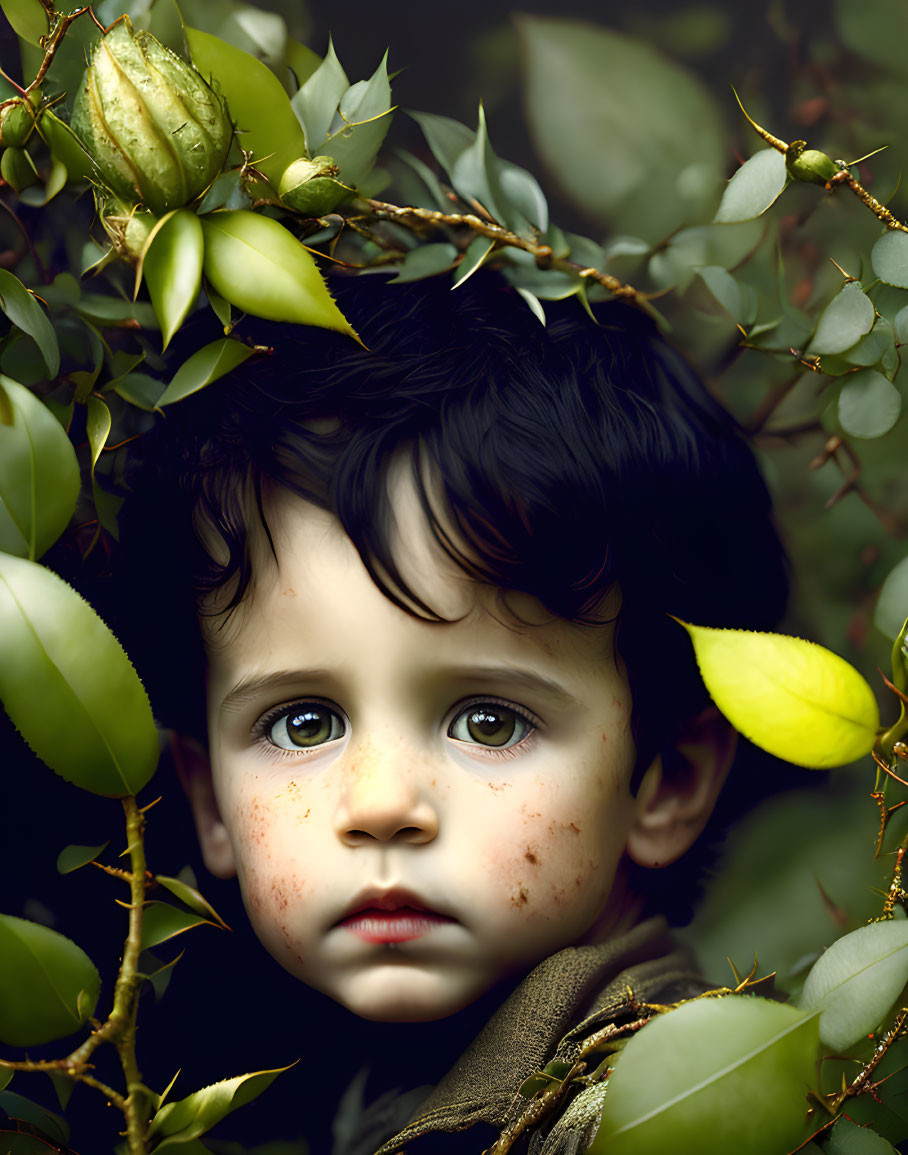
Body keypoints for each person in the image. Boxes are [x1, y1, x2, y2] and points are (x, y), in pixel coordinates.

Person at [112, 268, 790, 1153]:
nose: (384, 803)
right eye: (303, 723)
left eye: (489, 722)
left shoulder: (650, 1122)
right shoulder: (380, 1097)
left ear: (668, 777)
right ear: (210, 802)